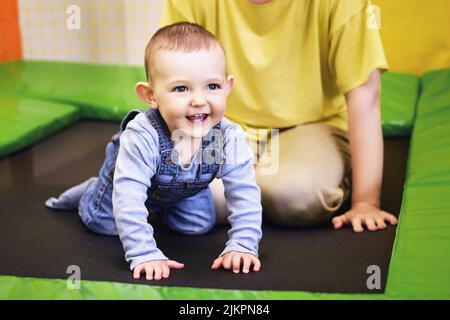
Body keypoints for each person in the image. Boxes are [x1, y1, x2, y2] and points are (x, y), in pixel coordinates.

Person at [45, 22, 262, 281]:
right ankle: (94, 191)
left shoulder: (229, 137)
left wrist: (244, 245)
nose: (199, 100)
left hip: (179, 193)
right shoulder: (142, 135)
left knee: (198, 226)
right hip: (126, 187)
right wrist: (145, 253)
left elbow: (245, 193)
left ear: (228, 87)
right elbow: (129, 199)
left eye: (212, 86)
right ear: (150, 95)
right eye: (181, 88)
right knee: (103, 224)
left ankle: (157, 208)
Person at [161, 0, 398, 232]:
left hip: (313, 125)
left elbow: (364, 95)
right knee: (185, 192)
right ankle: (246, 193)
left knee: (295, 195)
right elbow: (171, 80)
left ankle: (249, 193)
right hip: (219, 125)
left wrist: (366, 202)